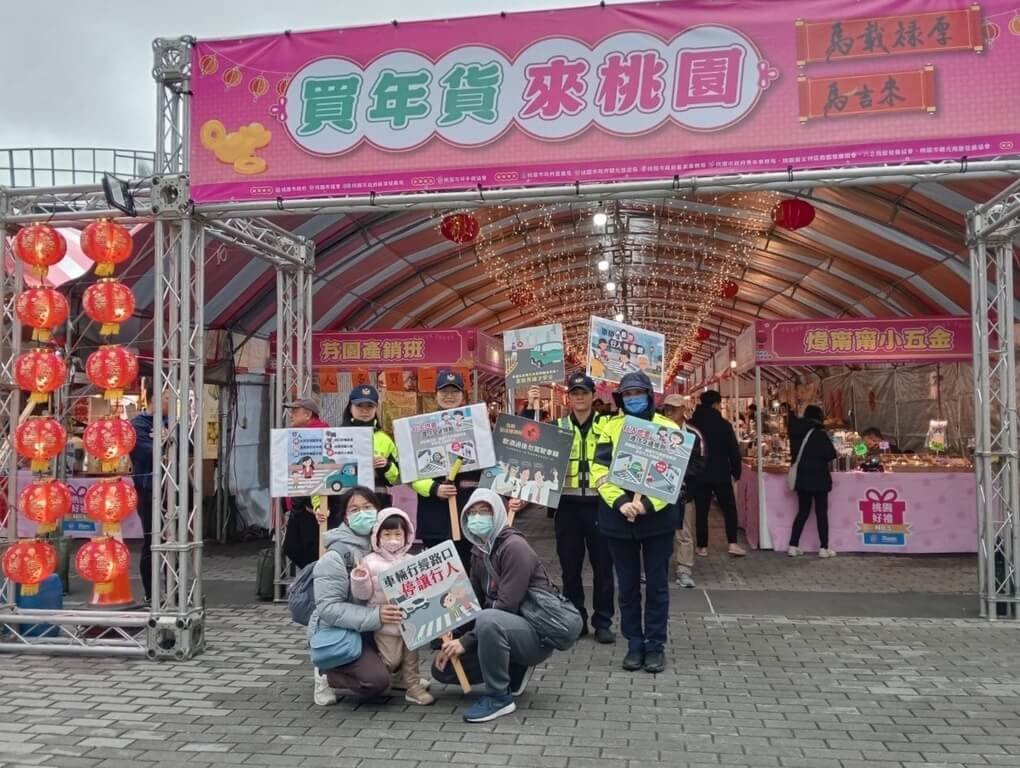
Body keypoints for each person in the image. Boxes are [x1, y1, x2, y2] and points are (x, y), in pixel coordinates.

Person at [431, 489, 556, 723]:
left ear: (498, 513)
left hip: (533, 635)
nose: (477, 518)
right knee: (443, 670)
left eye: (484, 512)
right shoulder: (479, 550)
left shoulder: (515, 547)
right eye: (472, 513)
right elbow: (472, 602)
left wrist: (465, 642)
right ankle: (513, 668)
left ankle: (500, 698)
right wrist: (451, 639)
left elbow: (506, 607)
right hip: (496, 629)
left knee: (489, 618)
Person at [592, 372, 687, 674]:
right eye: (628, 394)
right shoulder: (610, 427)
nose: (633, 398)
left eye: (638, 393)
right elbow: (599, 470)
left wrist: (645, 504)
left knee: (657, 586)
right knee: (627, 586)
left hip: (657, 521)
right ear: (620, 398)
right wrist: (621, 502)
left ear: (649, 395)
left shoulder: (668, 428)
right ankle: (634, 643)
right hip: (618, 519)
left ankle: (655, 645)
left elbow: (674, 476)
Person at [309, 487, 430, 705]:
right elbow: (328, 608)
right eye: (354, 509)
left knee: (402, 641)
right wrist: (376, 615)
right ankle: (327, 674)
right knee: (376, 682)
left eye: (368, 507)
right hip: (345, 630)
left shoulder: (386, 546)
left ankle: (403, 675)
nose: (362, 513)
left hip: (375, 628)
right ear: (345, 516)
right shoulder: (336, 557)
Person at [413, 370, 523, 566]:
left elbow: (493, 467)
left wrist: (508, 497)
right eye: (444, 391)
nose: (449, 396)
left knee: (472, 569)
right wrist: (434, 488)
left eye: (454, 391)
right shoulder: (421, 427)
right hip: (435, 517)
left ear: (463, 395)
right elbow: (411, 473)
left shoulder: (478, 426)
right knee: (441, 572)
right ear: (435, 394)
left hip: (471, 514)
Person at [349, 508, 434, 705]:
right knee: (391, 659)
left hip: (411, 620)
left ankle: (412, 685)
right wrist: (360, 578)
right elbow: (362, 595)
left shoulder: (412, 561)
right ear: (377, 536)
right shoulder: (369, 562)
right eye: (387, 534)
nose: (393, 539)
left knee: (411, 656)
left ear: (407, 536)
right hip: (386, 622)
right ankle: (383, 677)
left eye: (397, 534)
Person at [555, 373, 615, 644]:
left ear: (593, 395)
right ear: (568, 397)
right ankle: (576, 619)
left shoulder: (608, 425)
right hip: (567, 506)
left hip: (600, 505)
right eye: (575, 393)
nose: (579, 397)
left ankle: (603, 621)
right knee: (569, 567)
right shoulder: (557, 427)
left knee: (604, 567)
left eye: (584, 393)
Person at [688, 390, 746, 558]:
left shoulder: (692, 425)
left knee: (701, 511)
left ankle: (702, 547)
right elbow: (733, 451)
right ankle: (733, 543)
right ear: (716, 404)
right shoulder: (724, 425)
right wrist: (736, 472)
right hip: (721, 473)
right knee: (729, 508)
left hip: (699, 474)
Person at [281, 398, 337, 570]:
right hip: (300, 502)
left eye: (295, 411)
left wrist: (315, 504)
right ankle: (311, 578)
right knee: (294, 548)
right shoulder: (296, 436)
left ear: (307, 414)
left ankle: (314, 579)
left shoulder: (319, 436)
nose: (291, 415)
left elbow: (320, 473)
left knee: (307, 549)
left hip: (312, 505)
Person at [130, 377, 170, 604]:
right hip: (148, 490)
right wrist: (166, 442)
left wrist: (167, 439)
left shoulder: (172, 422)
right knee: (152, 540)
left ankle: (173, 588)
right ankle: (151, 592)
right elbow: (148, 452)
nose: (170, 403)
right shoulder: (139, 424)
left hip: (171, 489)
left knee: (172, 540)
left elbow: (189, 446)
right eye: (167, 398)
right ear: (154, 399)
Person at [660, 394, 703, 589]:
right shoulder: (656, 430)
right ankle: (657, 567)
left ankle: (684, 569)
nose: (669, 411)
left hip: (684, 492)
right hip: (659, 490)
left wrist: (679, 472)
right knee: (659, 531)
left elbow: (700, 462)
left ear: (683, 410)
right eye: (667, 407)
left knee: (684, 532)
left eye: (674, 408)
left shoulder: (693, 434)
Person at [787, 406, 838, 559]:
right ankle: (823, 547)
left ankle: (793, 545)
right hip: (819, 478)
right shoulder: (820, 434)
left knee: (802, 512)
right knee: (821, 513)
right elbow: (830, 454)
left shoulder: (795, 432)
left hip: (802, 477)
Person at [341, 385, 400, 508]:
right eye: (359, 406)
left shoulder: (384, 439)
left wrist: (386, 466)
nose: (365, 411)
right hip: (344, 502)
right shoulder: (337, 436)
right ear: (350, 407)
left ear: (376, 408)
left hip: (377, 502)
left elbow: (396, 479)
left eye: (370, 406)